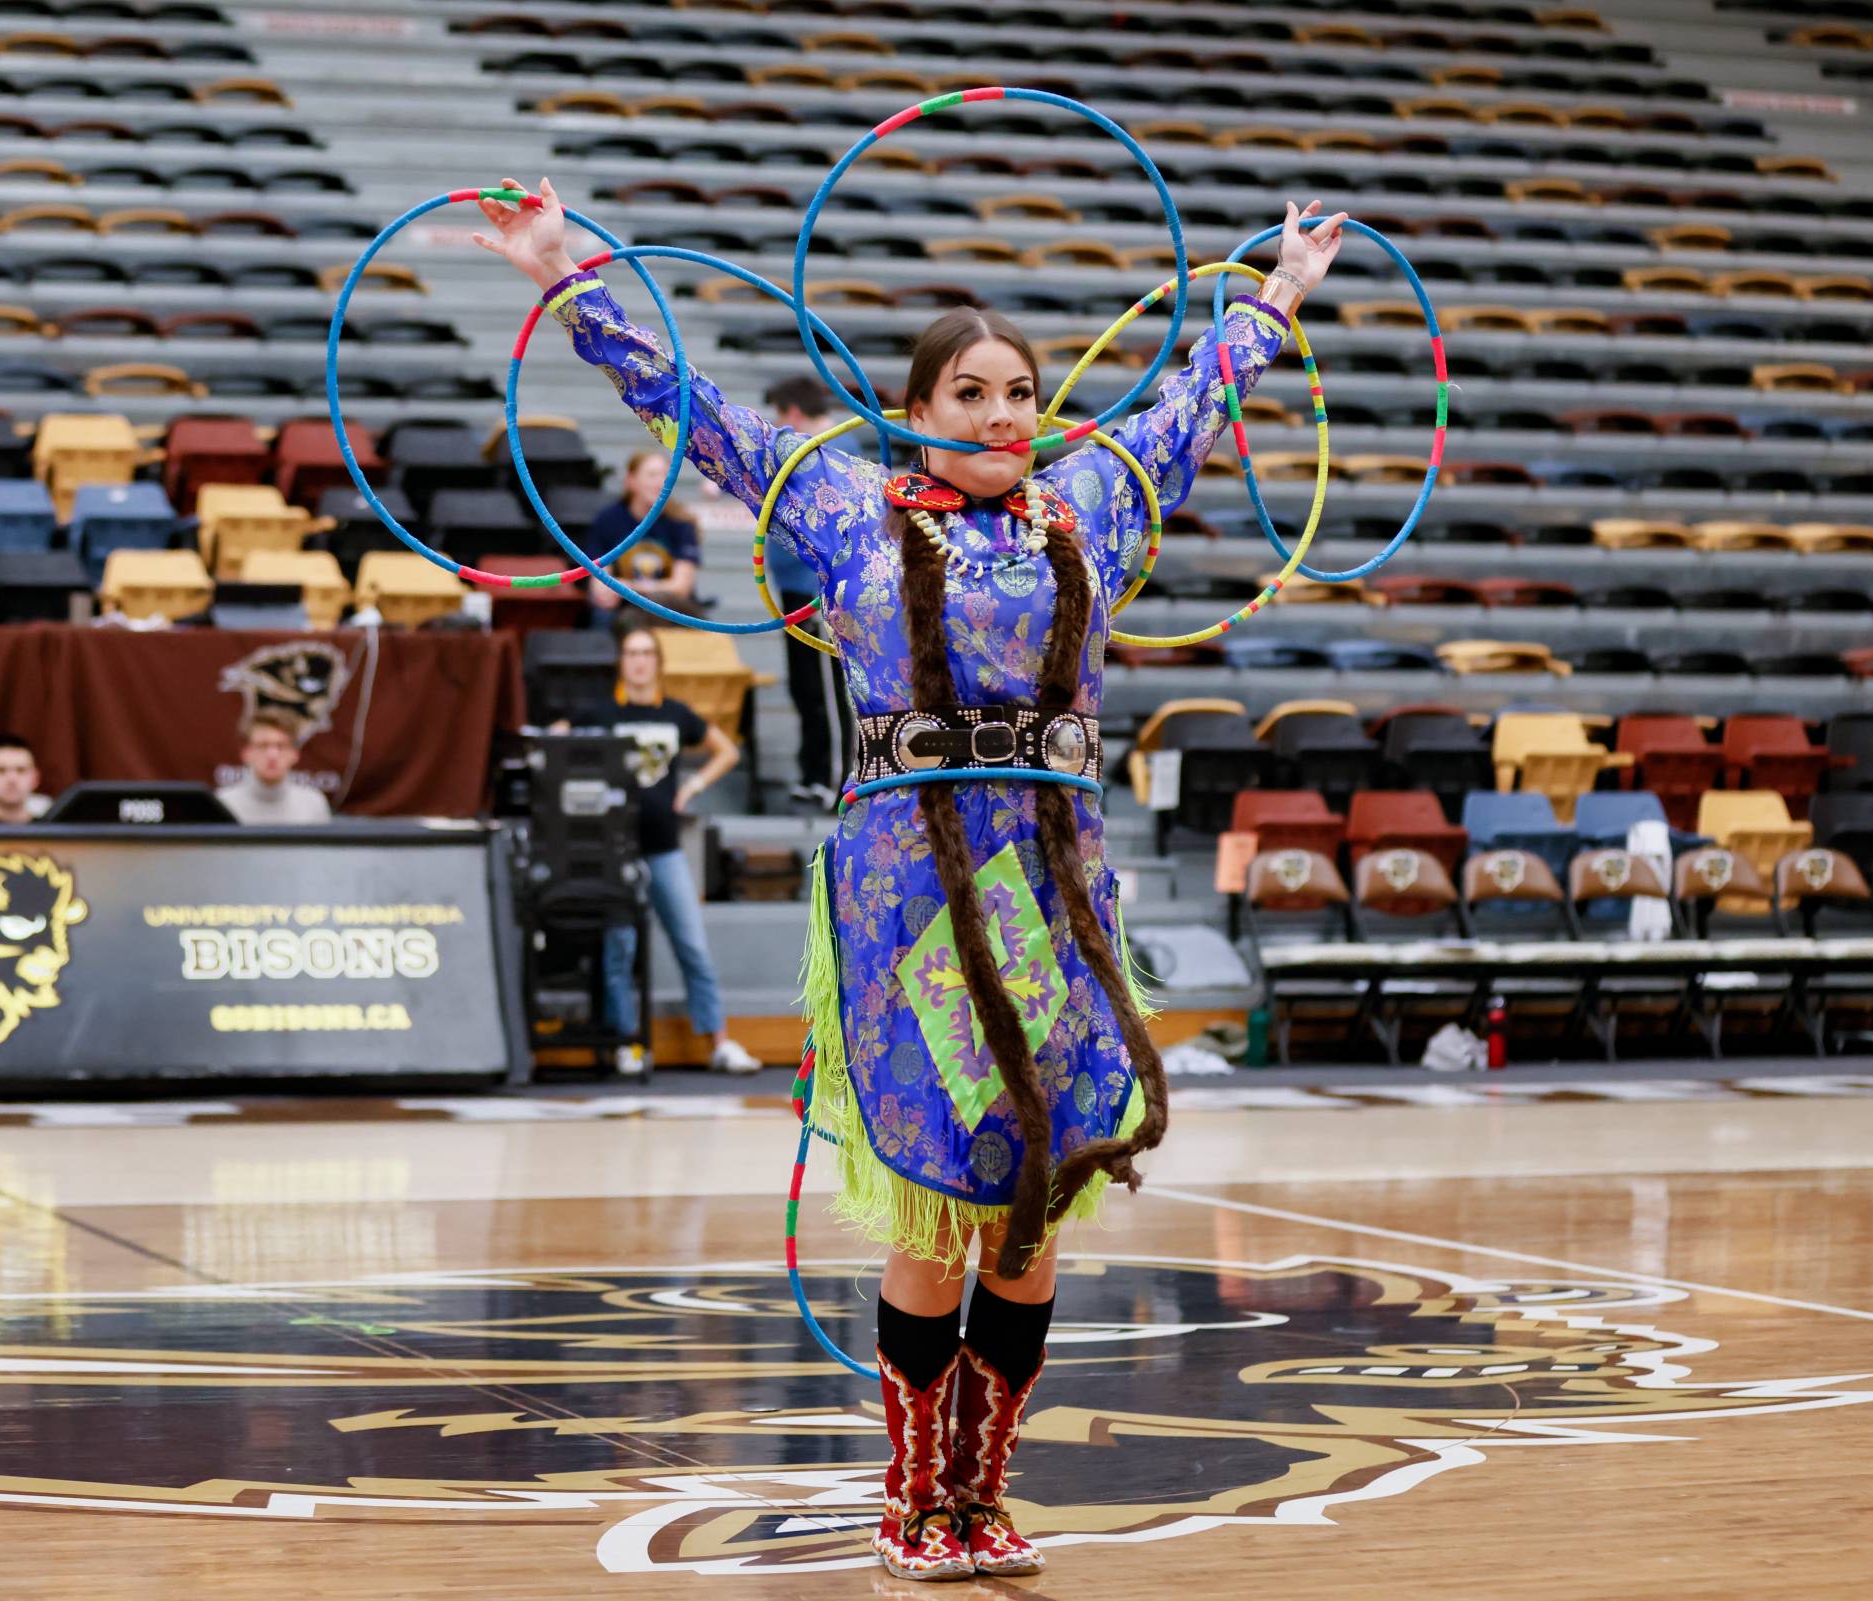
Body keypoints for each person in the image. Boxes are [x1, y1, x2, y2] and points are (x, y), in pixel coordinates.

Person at [479, 175, 1346, 1580]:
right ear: (921, 410)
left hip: (1053, 893)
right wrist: (565, 272)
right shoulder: (839, 506)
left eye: (1020, 391)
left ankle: (986, 1488)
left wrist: (1282, 290)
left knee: (1032, 1213)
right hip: (908, 898)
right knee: (941, 1202)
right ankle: (910, 1495)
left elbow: (1196, 399)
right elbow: (688, 408)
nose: (1005, 415)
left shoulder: (1092, 509)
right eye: (972, 394)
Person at [559, 622, 761, 1077]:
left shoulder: (675, 713)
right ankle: (627, 1044)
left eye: (647, 653)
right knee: (619, 950)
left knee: (693, 946)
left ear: (658, 662)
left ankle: (720, 1043)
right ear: (621, 662)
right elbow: (554, 741)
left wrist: (692, 786)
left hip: (665, 849)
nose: (639, 661)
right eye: (631, 653)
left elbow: (726, 751)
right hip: (617, 854)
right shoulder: (601, 713)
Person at [762, 376, 852, 812]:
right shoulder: (804, 455)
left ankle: (837, 778)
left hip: (818, 596)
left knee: (828, 694)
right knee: (805, 688)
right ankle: (815, 772)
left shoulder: (824, 454)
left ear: (793, 414)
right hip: (794, 594)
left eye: (781, 415)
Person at [579, 449, 701, 624]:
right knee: (602, 615)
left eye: (665, 477)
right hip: (622, 609)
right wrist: (607, 593)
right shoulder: (607, 520)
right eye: (652, 476)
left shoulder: (681, 522)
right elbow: (599, 582)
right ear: (631, 481)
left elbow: (681, 587)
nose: (660, 483)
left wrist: (628, 587)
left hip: (666, 607)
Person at [214, 711, 333, 825]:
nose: (272, 755)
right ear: (246, 753)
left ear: (295, 754)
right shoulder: (224, 803)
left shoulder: (313, 804)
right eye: (263, 745)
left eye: (281, 746)